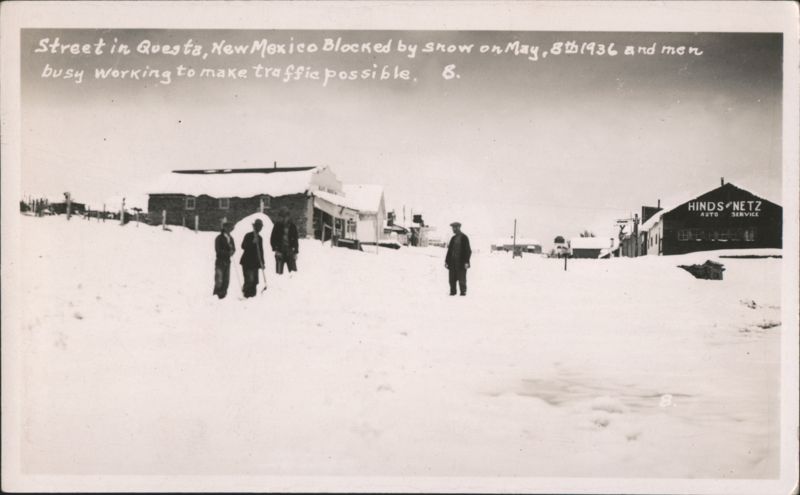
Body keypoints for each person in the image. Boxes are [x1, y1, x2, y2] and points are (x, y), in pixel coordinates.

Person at [445, 221, 472, 296]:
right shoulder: (453, 238)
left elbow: (468, 251)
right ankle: (452, 292)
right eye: (452, 228)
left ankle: (463, 293)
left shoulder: (464, 237)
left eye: (454, 228)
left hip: (461, 262)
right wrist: (447, 261)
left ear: (458, 228)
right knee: (451, 279)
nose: (452, 229)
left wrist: (466, 262)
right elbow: (449, 251)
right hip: (452, 262)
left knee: (462, 279)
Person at [240, 218, 265, 297]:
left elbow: (261, 251)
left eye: (261, 227)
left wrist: (262, 263)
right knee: (249, 280)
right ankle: (246, 295)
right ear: (255, 226)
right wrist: (252, 242)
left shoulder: (260, 238)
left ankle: (253, 297)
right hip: (247, 262)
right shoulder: (248, 235)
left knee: (255, 281)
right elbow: (243, 246)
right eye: (258, 226)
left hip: (255, 263)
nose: (260, 228)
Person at [270, 207, 299, 275]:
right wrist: (276, 249)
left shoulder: (292, 226)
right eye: (281, 217)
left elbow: (295, 240)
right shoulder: (277, 226)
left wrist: (295, 252)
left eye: (284, 216)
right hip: (280, 251)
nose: (283, 219)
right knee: (279, 274)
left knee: (293, 273)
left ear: (288, 216)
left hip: (290, 251)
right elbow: (272, 239)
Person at [213, 222, 235, 299]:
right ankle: (216, 296)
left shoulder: (231, 238)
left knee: (226, 280)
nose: (230, 230)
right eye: (228, 228)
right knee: (219, 280)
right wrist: (228, 253)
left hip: (228, 262)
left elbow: (234, 249)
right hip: (220, 262)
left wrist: (232, 251)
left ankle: (223, 297)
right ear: (224, 229)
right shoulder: (219, 238)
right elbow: (218, 250)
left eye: (231, 229)